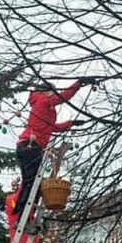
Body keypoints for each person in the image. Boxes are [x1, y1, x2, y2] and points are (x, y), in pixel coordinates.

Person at [15, 78, 95, 219]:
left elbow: (52, 127)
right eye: (52, 92)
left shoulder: (43, 106)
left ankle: (21, 212)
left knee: (29, 181)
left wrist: (71, 123)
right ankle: (24, 215)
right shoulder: (43, 101)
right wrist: (78, 84)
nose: (54, 94)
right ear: (46, 91)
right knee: (33, 182)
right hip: (31, 145)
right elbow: (62, 97)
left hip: (25, 145)